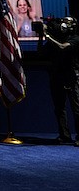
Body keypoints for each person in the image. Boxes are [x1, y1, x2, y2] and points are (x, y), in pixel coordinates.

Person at [35, 16, 79, 146]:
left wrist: (47, 35)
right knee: (59, 108)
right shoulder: (53, 40)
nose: (62, 25)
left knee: (77, 108)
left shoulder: (75, 39)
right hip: (56, 77)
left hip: (72, 77)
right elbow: (40, 53)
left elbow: (62, 47)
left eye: (66, 23)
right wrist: (41, 37)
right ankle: (64, 135)